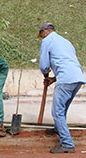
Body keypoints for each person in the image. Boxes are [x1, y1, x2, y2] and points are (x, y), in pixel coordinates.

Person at [38, 22, 86, 153]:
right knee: (63, 108)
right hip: (77, 77)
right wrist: (53, 79)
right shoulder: (66, 41)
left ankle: (67, 144)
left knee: (57, 111)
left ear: (45, 31)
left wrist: (45, 74)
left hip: (66, 78)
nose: (42, 37)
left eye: (41, 34)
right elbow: (66, 62)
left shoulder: (47, 41)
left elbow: (43, 64)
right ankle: (58, 128)